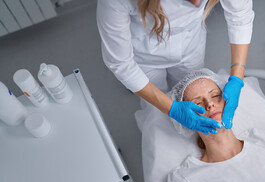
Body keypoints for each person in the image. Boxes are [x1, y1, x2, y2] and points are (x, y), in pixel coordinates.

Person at [96, 0, 254, 134]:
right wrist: (171, 109)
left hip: (191, 46)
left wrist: (237, 77)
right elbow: (121, 63)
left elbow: (240, 17)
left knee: (191, 91)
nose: (197, 3)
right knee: (156, 110)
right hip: (144, 58)